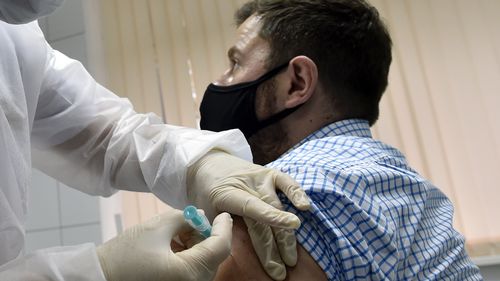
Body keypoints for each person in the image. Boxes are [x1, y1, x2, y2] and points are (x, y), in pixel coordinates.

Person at [0, 0, 312, 280]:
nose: (220, 81)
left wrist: (201, 162)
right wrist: (96, 270)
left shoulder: (17, 39)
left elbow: (109, 133)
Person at [199, 0, 483, 280]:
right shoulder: (411, 188)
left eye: (235, 63)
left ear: (297, 82)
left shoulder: (283, 195)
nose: (222, 79)